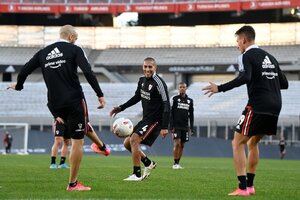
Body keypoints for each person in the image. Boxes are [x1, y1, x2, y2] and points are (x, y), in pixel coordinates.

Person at [7, 25, 110, 191]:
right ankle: (73, 184)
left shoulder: (43, 52)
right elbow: (88, 72)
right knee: (78, 141)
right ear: (70, 37)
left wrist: (19, 86)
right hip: (74, 100)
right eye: (75, 38)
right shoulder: (74, 49)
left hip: (55, 104)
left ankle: (102, 147)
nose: (75, 41)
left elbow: (25, 69)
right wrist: (100, 94)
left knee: (82, 125)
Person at [202, 25, 288, 196]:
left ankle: (242, 188)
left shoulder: (245, 55)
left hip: (257, 105)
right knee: (252, 142)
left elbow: (245, 77)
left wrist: (220, 88)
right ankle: (250, 186)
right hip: (275, 105)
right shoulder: (270, 57)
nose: (237, 45)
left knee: (237, 143)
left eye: (237, 41)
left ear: (244, 40)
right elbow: (284, 83)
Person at [110, 57, 170, 181]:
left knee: (134, 139)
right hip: (146, 119)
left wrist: (165, 126)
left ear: (155, 67)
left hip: (155, 120)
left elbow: (167, 104)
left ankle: (136, 174)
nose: (147, 69)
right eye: (145, 67)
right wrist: (121, 108)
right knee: (127, 144)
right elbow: (137, 97)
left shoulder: (159, 83)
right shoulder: (142, 80)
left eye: (150, 67)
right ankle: (148, 163)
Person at [170, 82, 194, 169]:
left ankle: (178, 163)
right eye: (180, 87)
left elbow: (191, 115)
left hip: (185, 126)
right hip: (176, 126)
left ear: (186, 88)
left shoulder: (190, 101)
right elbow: (170, 113)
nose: (182, 88)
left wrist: (191, 127)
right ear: (178, 88)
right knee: (177, 143)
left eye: (184, 87)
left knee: (182, 145)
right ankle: (175, 163)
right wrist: (171, 126)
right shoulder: (174, 99)